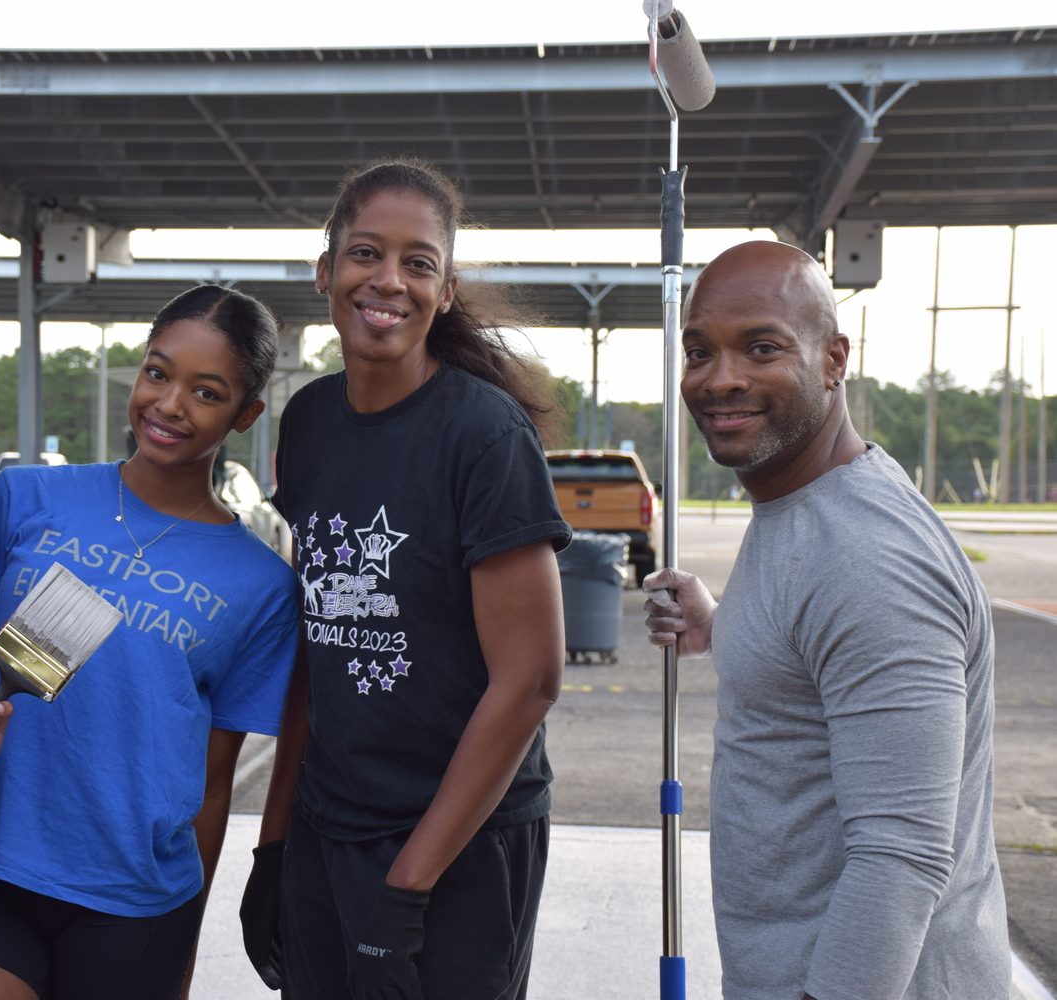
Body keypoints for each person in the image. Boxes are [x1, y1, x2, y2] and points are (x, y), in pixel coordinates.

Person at [643, 241, 1010, 1000]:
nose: (721, 379)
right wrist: (726, 625)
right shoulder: (798, 501)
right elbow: (816, 651)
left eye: (762, 347)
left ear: (834, 359)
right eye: (699, 351)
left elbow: (901, 860)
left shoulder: (869, 559)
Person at [241, 159, 570, 1000]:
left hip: (458, 843)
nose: (388, 280)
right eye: (364, 253)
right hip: (329, 827)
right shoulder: (309, 420)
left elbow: (529, 681)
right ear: (326, 272)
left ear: (446, 289)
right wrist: (275, 844)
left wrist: (408, 891)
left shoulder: (484, 439)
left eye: (418, 262)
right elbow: (318, 651)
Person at [0, 285, 299, 1000]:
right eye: (158, 373)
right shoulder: (22, 498)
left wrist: (183, 953)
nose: (170, 404)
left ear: (246, 415)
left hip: (136, 901)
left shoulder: (262, 585)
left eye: (206, 392)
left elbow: (213, 788)